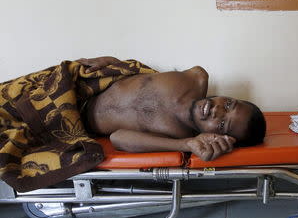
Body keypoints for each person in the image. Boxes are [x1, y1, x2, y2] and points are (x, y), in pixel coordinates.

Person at [78, 56, 266, 161]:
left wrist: (187, 144)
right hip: (81, 87)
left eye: (223, 124)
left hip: (76, 124)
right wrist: (110, 63)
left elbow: (117, 138)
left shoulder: (177, 136)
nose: (217, 111)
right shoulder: (196, 77)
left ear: (220, 137)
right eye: (228, 104)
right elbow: (134, 76)